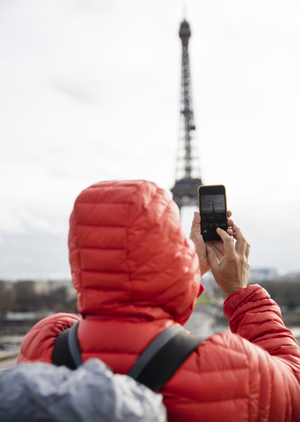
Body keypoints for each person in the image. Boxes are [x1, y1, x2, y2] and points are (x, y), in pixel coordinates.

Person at [17, 180, 300, 422]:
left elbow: (132, 323)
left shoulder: (45, 343)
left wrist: (186, 272)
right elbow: (293, 389)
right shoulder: (232, 366)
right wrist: (239, 291)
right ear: (171, 251)